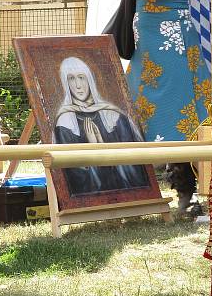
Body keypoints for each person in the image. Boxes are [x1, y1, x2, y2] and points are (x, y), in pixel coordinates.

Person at [77, 0, 210, 213]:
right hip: (146, 44)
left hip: (173, 43)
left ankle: (188, 190)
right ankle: (156, 187)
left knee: (179, 111)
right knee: (143, 109)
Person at [53, 57, 148, 195]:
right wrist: (93, 150)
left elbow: (135, 166)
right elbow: (75, 179)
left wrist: (102, 147)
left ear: (90, 80)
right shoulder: (65, 122)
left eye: (81, 77)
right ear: (65, 83)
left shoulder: (113, 115)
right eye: (71, 79)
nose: (78, 85)